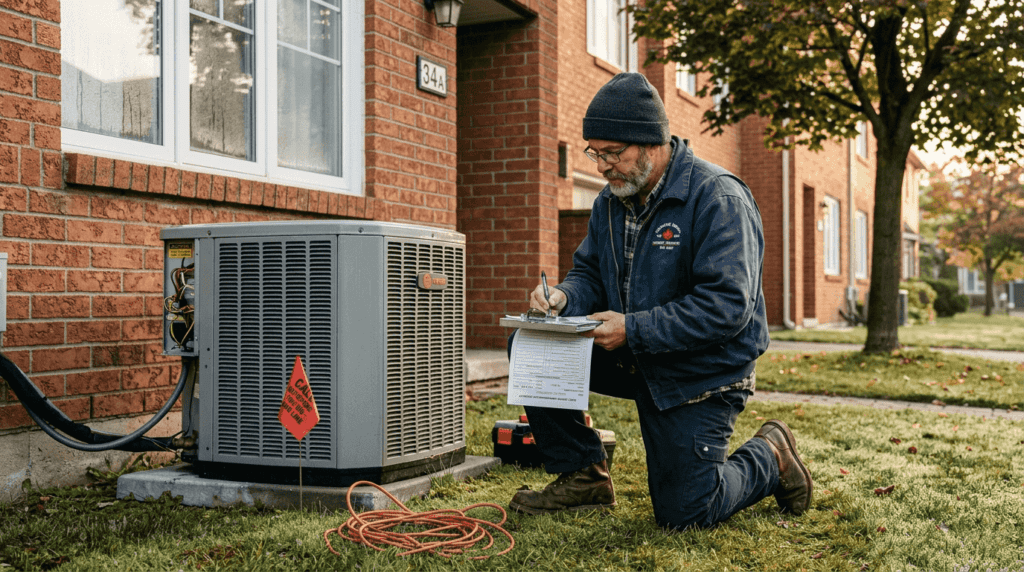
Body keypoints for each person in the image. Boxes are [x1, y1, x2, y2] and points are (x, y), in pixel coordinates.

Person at [506, 73, 813, 530]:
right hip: (637, 353)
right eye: (596, 152)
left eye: (613, 154)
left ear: (652, 143)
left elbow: (727, 306)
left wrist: (633, 328)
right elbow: (590, 272)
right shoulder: (610, 202)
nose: (602, 166)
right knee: (531, 345)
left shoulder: (719, 198)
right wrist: (564, 297)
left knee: (685, 513)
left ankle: (770, 455)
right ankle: (583, 474)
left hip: (702, 371)